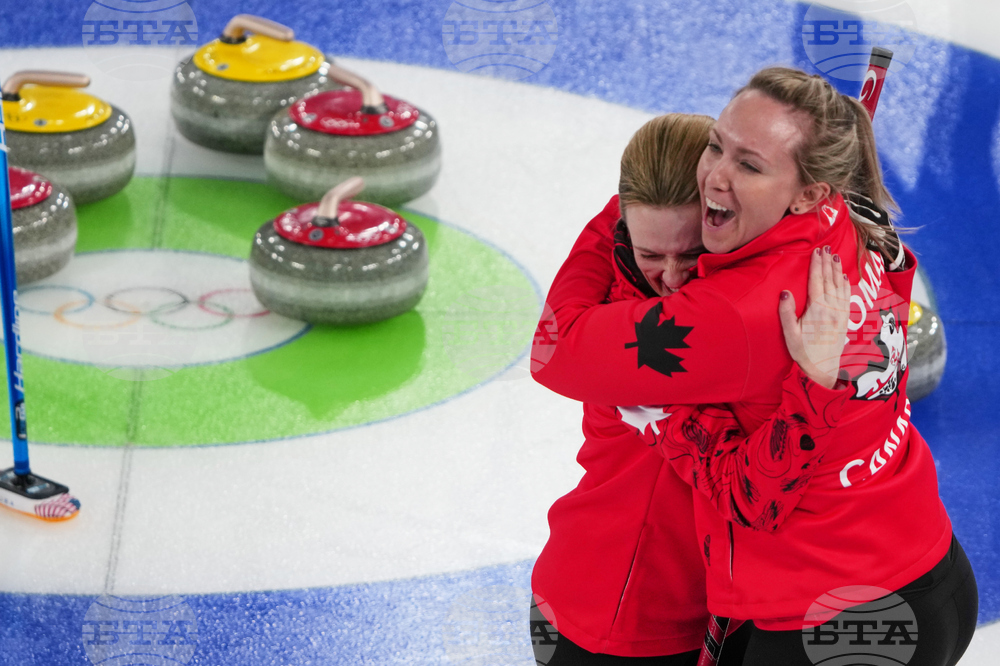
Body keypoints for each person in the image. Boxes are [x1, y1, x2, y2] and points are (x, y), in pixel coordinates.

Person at [531, 68, 977, 666]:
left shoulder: (730, 314)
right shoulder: (844, 223)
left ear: (810, 190)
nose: (716, 174)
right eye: (717, 145)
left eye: (749, 164)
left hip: (827, 623)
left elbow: (553, 352)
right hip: (931, 568)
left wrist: (622, 208)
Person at [531, 113, 855, 665]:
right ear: (622, 233)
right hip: (623, 618)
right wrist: (817, 385)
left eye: (691, 251)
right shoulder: (655, 345)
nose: (675, 279)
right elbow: (752, 489)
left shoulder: (731, 302)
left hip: (702, 606)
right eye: (651, 254)